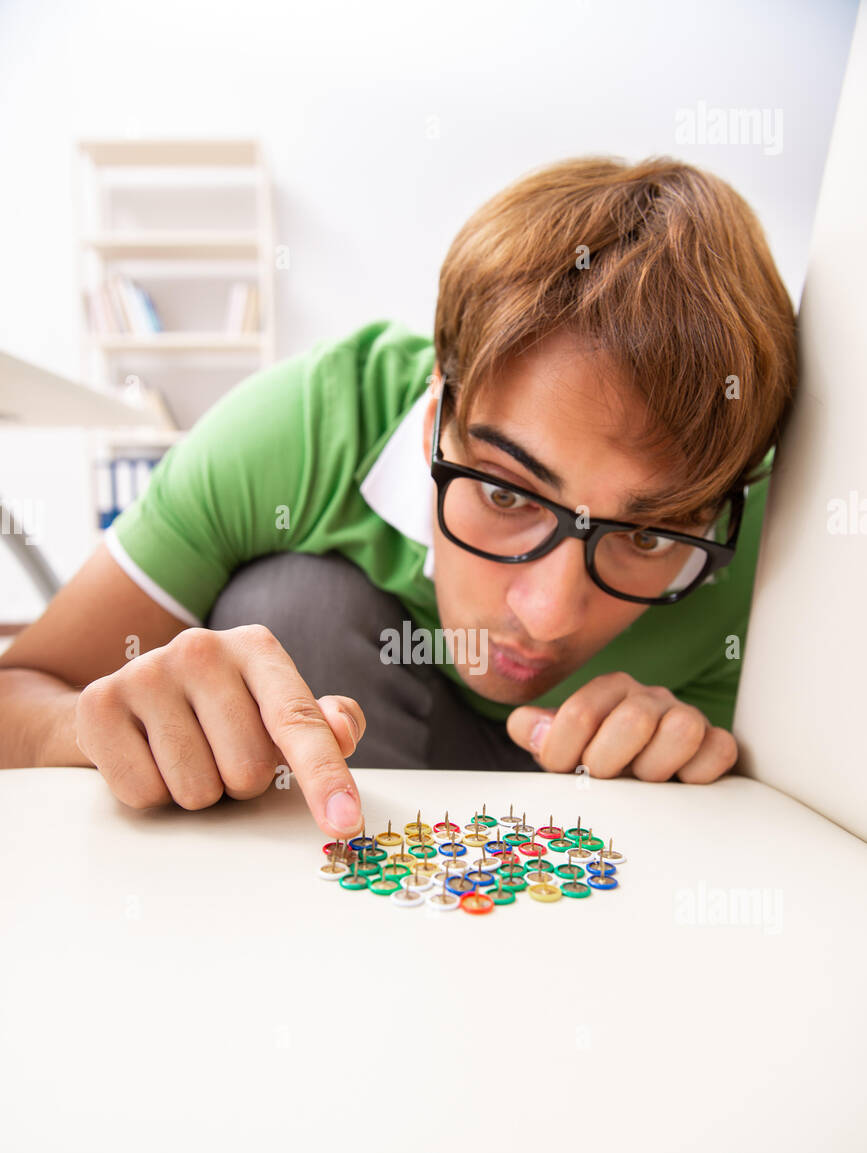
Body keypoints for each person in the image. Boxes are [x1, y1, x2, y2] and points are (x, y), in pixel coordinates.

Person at [0, 155, 798, 841]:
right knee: (290, 601)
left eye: (650, 537)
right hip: (362, 790)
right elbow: (17, 694)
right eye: (503, 491)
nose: (548, 614)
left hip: (578, 850)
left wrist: (693, 755)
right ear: (433, 416)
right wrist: (96, 726)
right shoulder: (309, 422)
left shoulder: (773, 540)